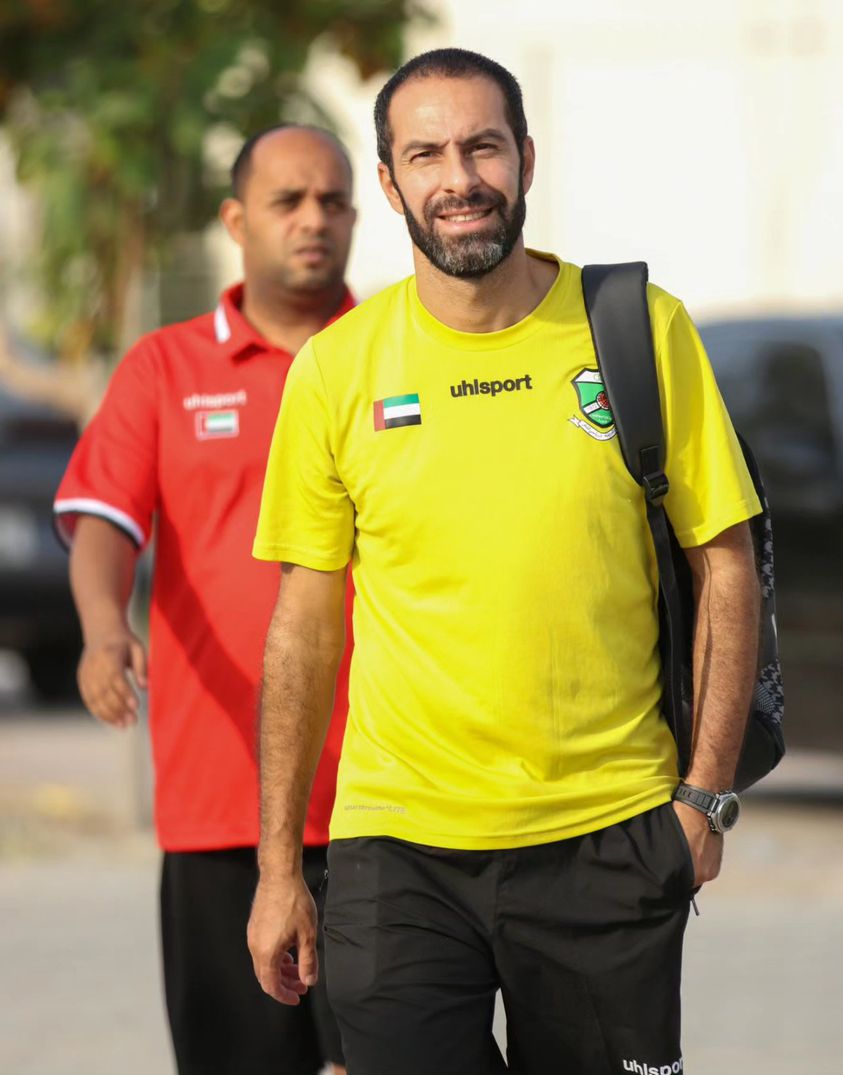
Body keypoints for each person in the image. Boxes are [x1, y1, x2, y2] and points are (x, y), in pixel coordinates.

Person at [248, 49, 761, 1075]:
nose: (460, 178)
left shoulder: (637, 330)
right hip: (397, 848)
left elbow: (726, 568)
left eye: (482, 147)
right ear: (389, 182)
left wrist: (703, 801)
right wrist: (277, 867)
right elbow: (303, 625)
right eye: (426, 154)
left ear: (525, 158)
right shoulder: (337, 369)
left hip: (608, 837)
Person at [54, 124, 356, 1075]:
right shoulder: (164, 368)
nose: (313, 220)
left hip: (392, 805)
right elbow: (105, 521)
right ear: (235, 220)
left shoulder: (393, 357)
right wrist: (104, 631)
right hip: (221, 806)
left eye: (333, 201)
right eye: (286, 201)